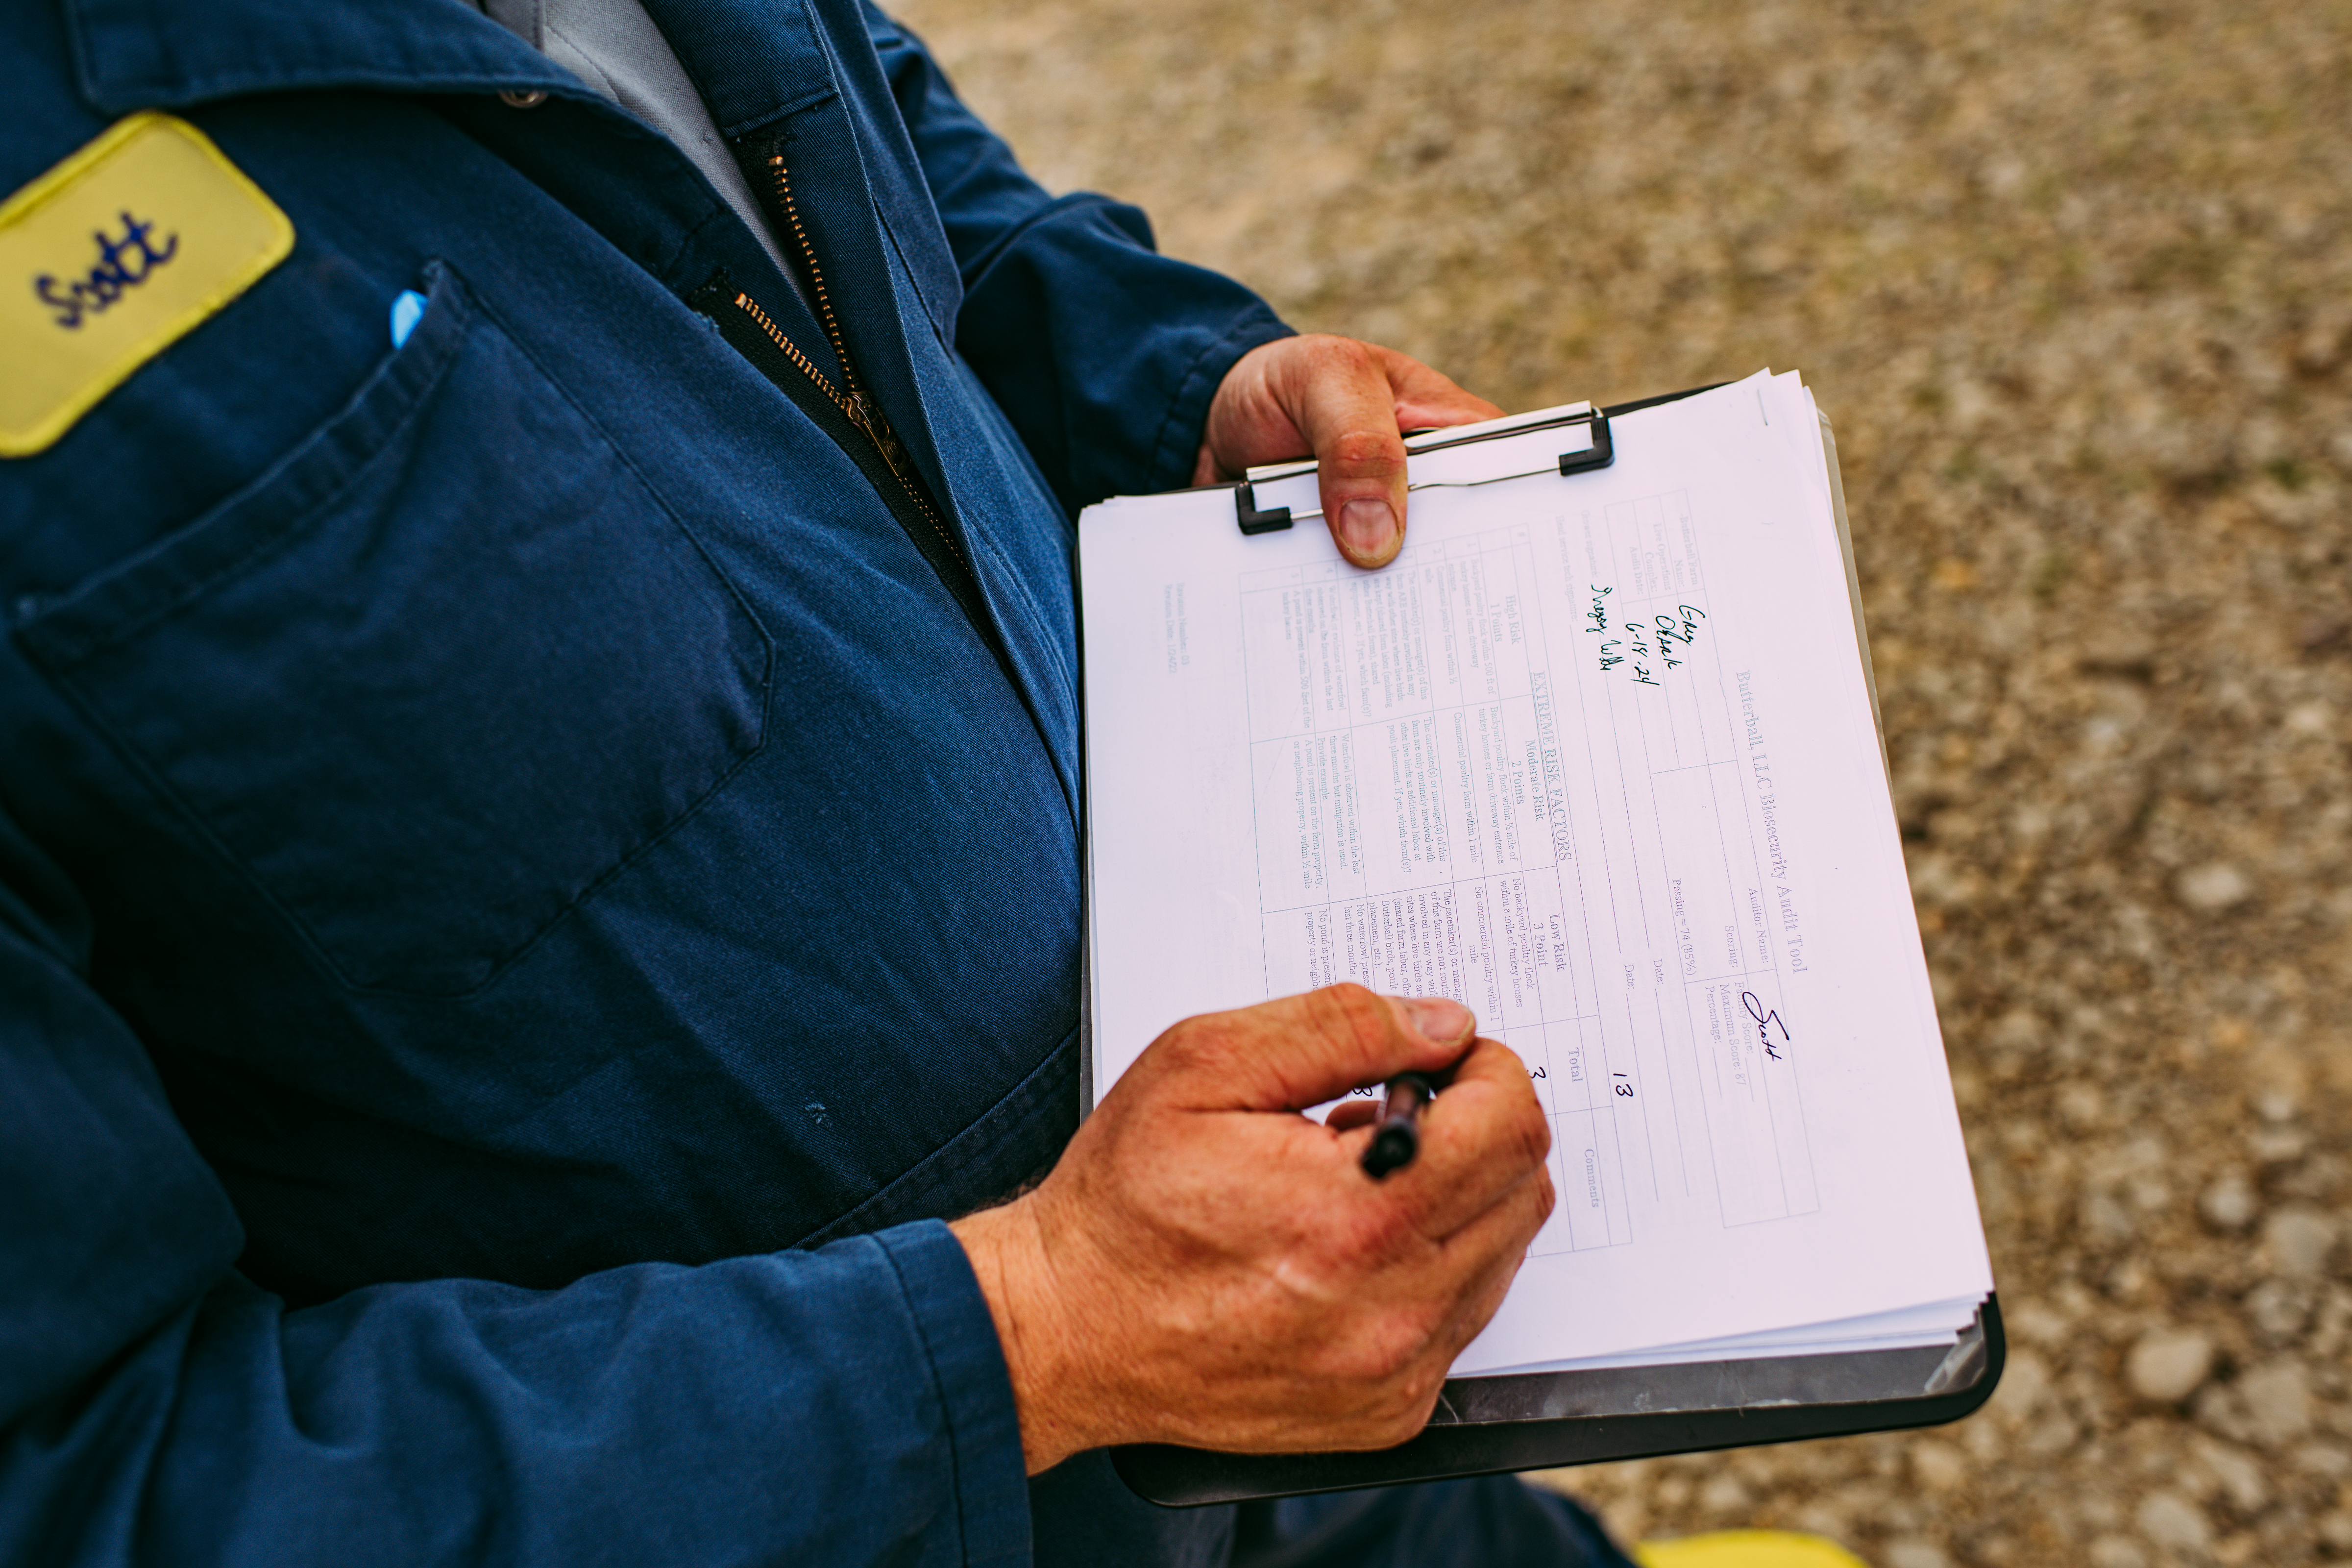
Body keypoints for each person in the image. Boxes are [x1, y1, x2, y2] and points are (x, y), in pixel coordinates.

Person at [0, 0, 1642, 1562]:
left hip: (1310, 1317)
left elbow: (839, 162)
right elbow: (81, 1489)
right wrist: (1038, 1329)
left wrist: (1159, 386)